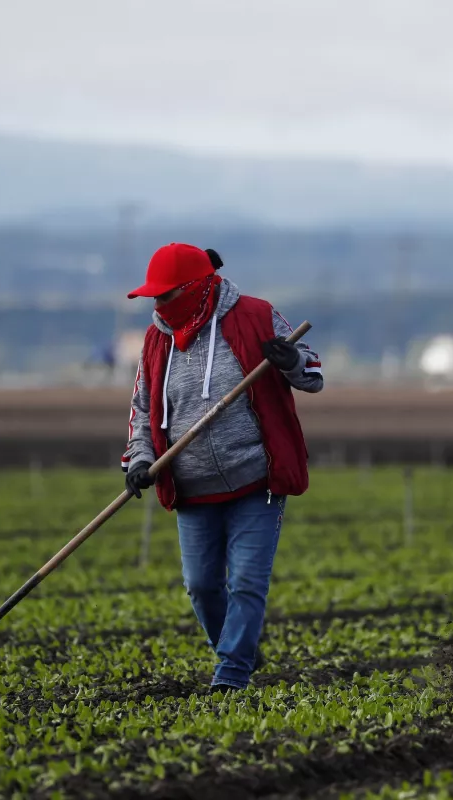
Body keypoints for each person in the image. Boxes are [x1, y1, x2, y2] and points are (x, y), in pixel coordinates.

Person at [120, 242, 323, 691]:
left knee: (247, 583)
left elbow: (312, 373)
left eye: (166, 294)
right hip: (192, 488)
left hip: (257, 480)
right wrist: (140, 460)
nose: (158, 304)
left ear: (195, 288)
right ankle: (239, 650)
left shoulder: (255, 315)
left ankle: (230, 675)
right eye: (153, 296)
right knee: (201, 586)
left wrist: (291, 362)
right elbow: (142, 408)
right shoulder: (156, 340)